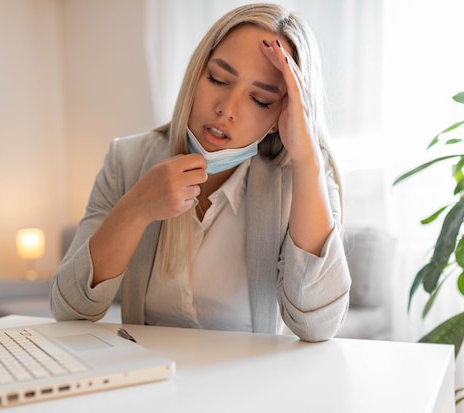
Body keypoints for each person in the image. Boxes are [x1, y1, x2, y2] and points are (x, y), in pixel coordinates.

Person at [51, 3, 351, 342]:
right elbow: (70, 309)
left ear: (281, 116)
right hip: (151, 383)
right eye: (217, 79)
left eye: (261, 100)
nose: (227, 109)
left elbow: (318, 326)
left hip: (251, 387)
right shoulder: (127, 160)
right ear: (195, 75)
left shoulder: (302, 180)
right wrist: (135, 209)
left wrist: (308, 160)